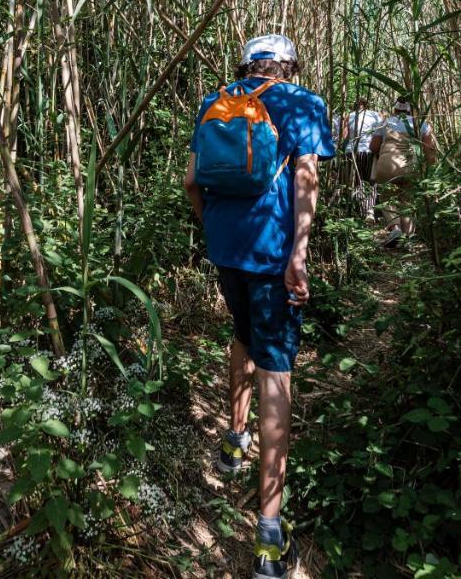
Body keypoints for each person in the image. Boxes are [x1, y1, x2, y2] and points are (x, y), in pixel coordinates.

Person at [184, 33, 334, 579]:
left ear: (246, 64)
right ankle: (269, 536)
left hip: (226, 248)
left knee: (241, 333)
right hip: (273, 257)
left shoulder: (215, 100)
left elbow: (192, 183)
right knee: (276, 367)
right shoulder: (301, 101)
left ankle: (234, 439)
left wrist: (215, 231)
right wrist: (299, 254)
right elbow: (306, 175)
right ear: (289, 65)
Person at [370, 98, 437, 246]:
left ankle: (395, 228)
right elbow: (429, 150)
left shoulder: (384, 123)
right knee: (408, 200)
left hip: (387, 165)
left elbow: (373, 147)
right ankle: (408, 237)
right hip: (410, 165)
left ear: (394, 110)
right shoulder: (421, 124)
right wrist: (429, 167)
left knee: (387, 197)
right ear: (410, 110)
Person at [339, 97, 383, 222]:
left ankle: (357, 211)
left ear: (356, 105)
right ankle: (369, 211)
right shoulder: (376, 116)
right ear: (366, 105)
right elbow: (380, 134)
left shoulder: (349, 116)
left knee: (356, 182)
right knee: (371, 181)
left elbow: (344, 136)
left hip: (352, 152)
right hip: (369, 151)